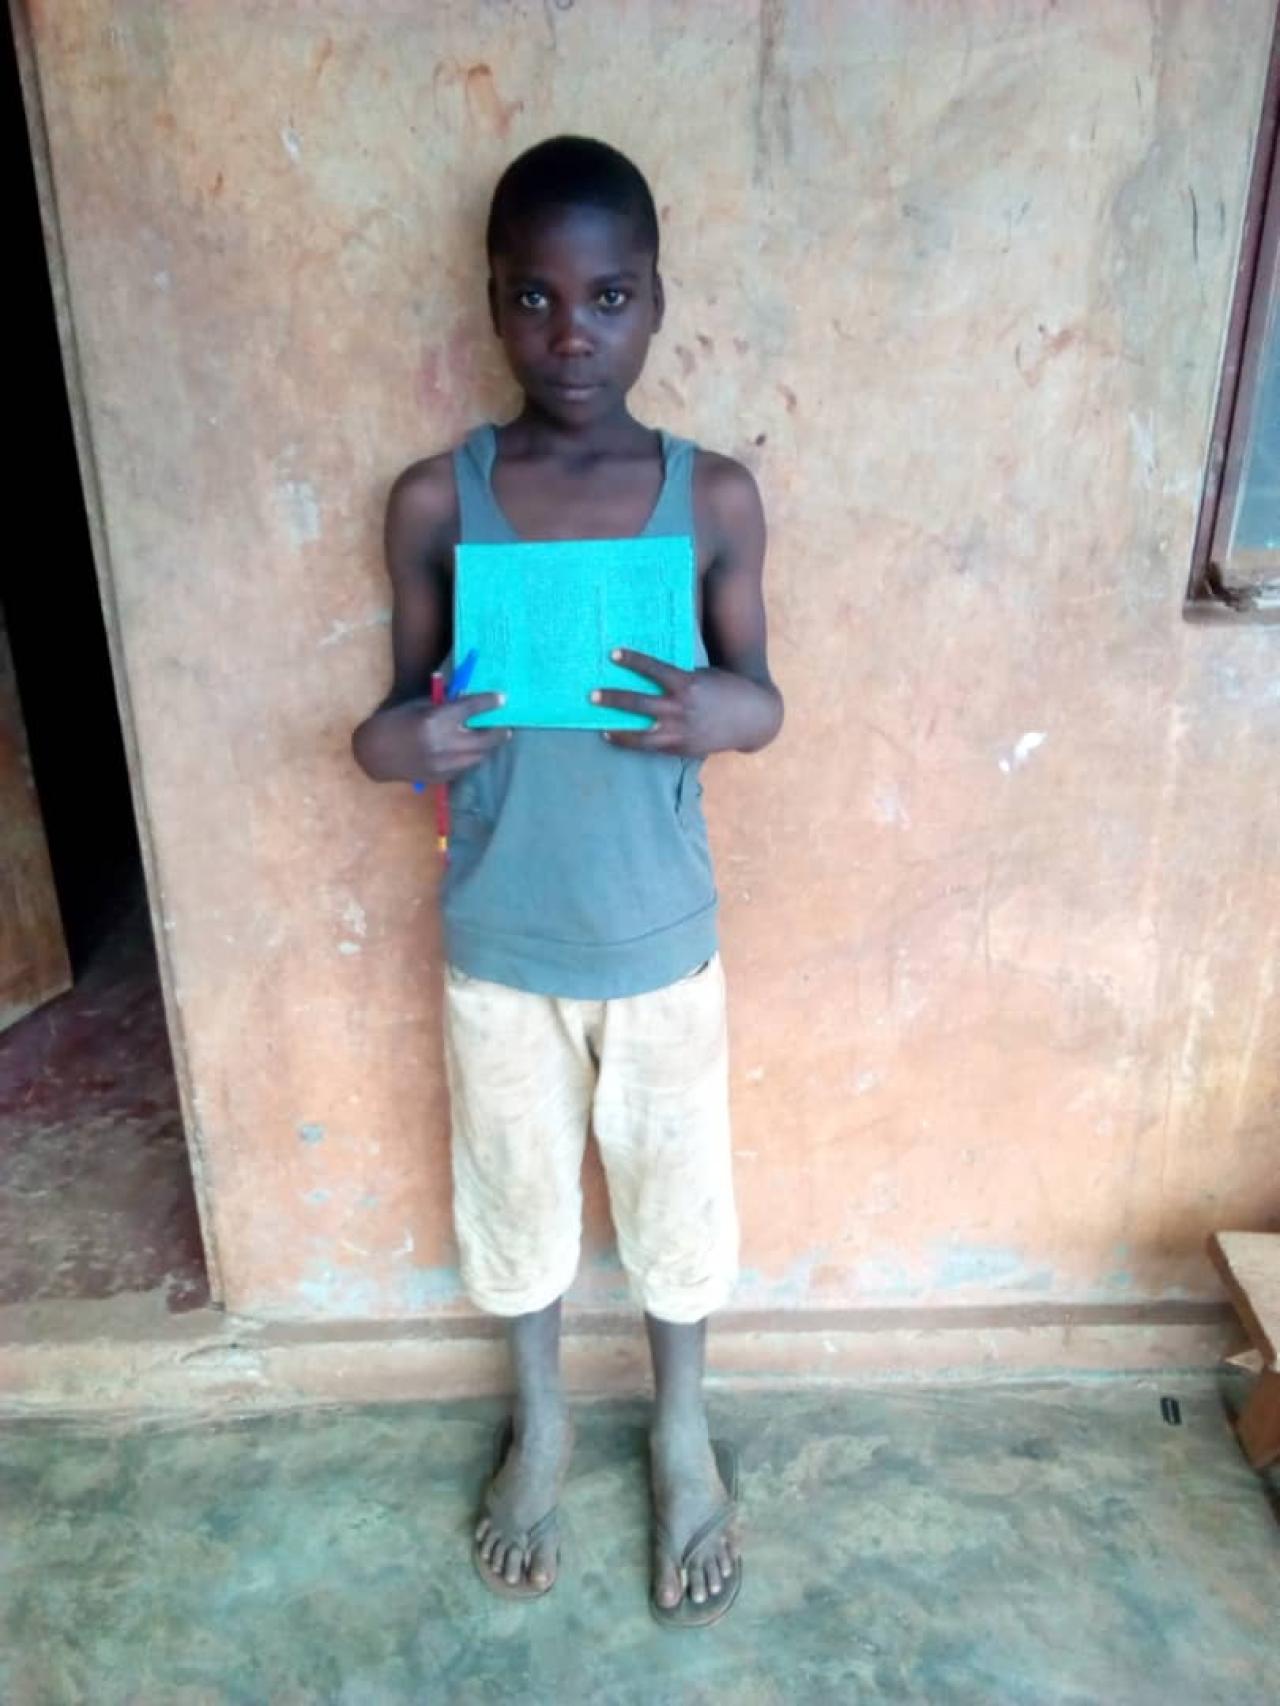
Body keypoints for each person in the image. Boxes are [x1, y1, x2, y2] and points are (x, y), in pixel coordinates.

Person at [352, 135, 783, 1627]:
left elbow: (765, 701)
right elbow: (389, 724)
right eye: (533, 298)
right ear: (492, 304)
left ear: (656, 301)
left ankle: (681, 1431)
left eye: (608, 297)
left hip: (660, 940)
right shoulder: (438, 501)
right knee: (516, 1195)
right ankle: (540, 1419)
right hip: (501, 940)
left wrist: (718, 709)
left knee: (678, 1205)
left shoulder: (710, 498)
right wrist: (409, 740)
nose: (572, 333)